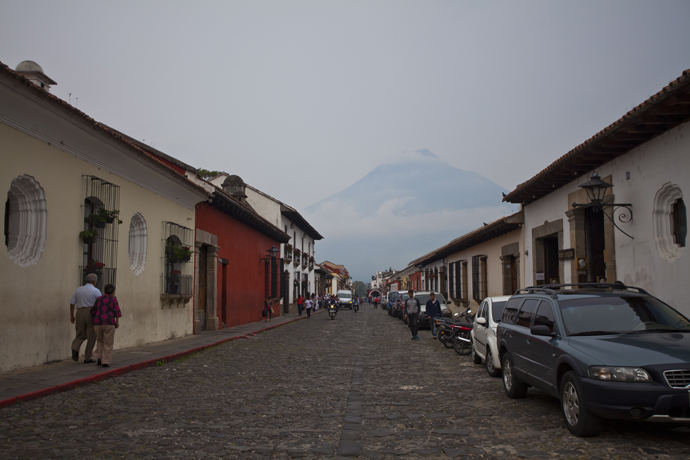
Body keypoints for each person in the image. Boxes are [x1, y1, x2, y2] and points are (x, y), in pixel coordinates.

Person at [69, 273, 102, 363]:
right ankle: (88, 357)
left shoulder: (79, 289)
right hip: (91, 312)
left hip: (80, 312)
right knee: (91, 336)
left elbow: (72, 303)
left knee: (80, 334)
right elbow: (100, 303)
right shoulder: (96, 290)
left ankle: (75, 348)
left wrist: (72, 315)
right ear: (95, 281)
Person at [91, 284, 122, 367]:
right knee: (108, 342)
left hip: (98, 322)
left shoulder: (99, 299)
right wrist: (117, 322)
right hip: (109, 321)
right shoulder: (113, 299)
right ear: (113, 292)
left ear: (104, 291)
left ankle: (99, 357)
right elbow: (117, 311)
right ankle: (105, 361)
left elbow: (93, 311)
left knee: (99, 340)